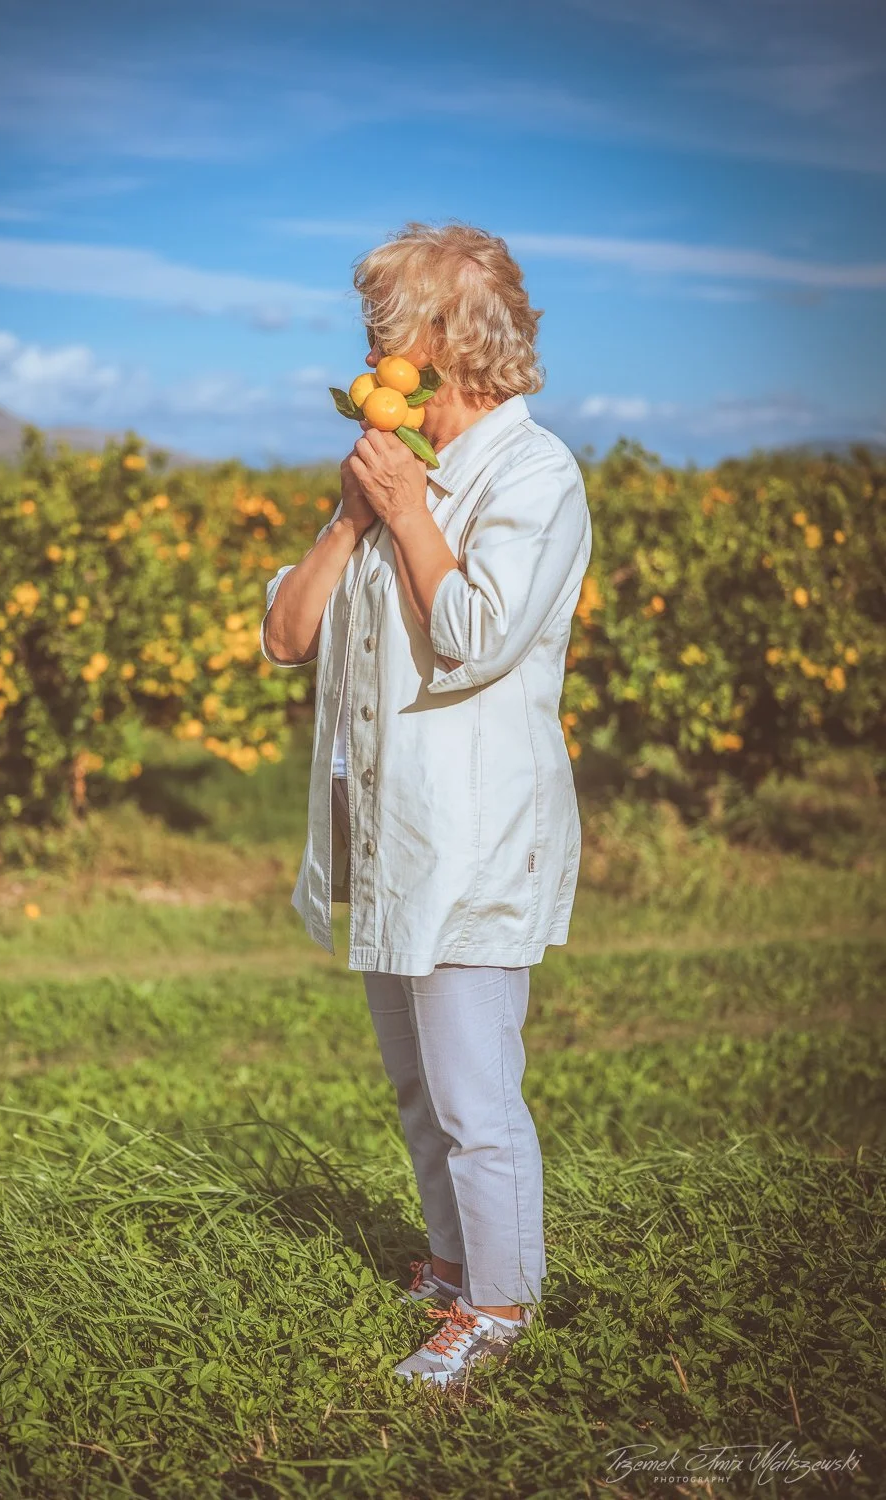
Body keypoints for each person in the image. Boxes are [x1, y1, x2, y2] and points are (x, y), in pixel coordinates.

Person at [259, 220, 593, 1388]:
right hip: (385, 833)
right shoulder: (385, 469)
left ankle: (499, 1306)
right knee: (413, 1085)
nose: (367, 347)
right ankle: (452, 1267)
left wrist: (405, 512)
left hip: (473, 831)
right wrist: (352, 516)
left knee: (470, 1094)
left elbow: (477, 638)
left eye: (385, 324)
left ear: (449, 340)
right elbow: (284, 635)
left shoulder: (532, 472)